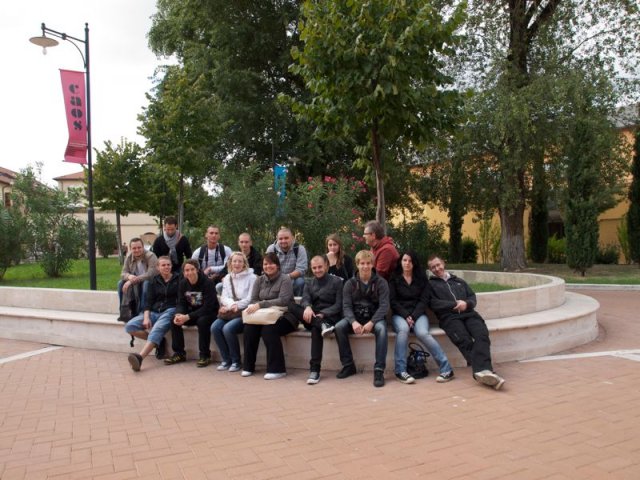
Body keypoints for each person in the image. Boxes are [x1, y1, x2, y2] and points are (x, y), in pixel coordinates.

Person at [426, 255, 505, 390]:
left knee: (481, 335)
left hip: (469, 314)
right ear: (430, 270)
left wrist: (466, 303)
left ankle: (482, 372)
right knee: (464, 340)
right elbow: (433, 303)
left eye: (438, 265)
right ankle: (486, 371)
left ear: (443, 263)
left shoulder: (459, 281)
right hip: (449, 318)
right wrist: (454, 304)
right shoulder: (430, 285)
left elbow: (472, 297)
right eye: (433, 267)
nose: (437, 268)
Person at [389, 251, 454, 384]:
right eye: (405, 260)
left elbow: (424, 300)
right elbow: (393, 301)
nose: (407, 263)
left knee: (423, 333)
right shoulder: (394, 278)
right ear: (400, 262)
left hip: (418, 314)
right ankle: (400, 371)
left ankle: (446, 369)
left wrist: (413, 316)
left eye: (410, 261)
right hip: (400, 315)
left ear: (414, 263)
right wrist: (406, 316)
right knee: (403, 330)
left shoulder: (421, 279)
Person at [334, 250, 390, 387]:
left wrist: (372, 322)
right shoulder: (349, 283)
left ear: (373, 264)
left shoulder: (381, 282)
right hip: (355, 317)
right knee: (339, 327)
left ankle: (379, 370)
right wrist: (353, 322)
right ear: (357, 264)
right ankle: (348, 365)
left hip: (374, 318)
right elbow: (346, 306)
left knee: (382, 330)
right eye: (362, 263)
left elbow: (384, 306)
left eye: (368, 263)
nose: (365, 266)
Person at [287, 255, 343, 384]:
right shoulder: (309, 282)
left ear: (326, 266)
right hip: (313, 317)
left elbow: (339, 305)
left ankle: (315, 370)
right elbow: (305, 298)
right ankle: (321, 324)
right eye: (314, 268)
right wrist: (307, 307)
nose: (317, 270)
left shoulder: (337, 282)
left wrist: (323, 314)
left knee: (315, 330)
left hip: (330, 318)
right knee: (291, 306)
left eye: (320, 267)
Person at [241, 252, 294, 379]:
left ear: (277, 265)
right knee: (249, 329)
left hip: (285, 316)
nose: (268, 266)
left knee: (269, 330)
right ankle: (248, 366)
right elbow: (253, 300)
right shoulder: (259, 280)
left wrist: (262, 304)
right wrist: (260, 305)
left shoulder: (285, 279)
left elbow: (284, 300)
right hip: (263, 317)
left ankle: (277, 370)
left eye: (271, 263)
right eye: (265, 264)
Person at [126, 256, 180, 372]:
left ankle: (140, 358)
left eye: (168, 265)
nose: (166, 267)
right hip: (154, 312)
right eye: (163, 265)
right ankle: (158, 342)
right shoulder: (153, 281)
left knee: (157, 329)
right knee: (130, 326)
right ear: (158, 267)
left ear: (171, 266)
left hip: (170, 310)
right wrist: (146, 317)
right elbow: (148, 302)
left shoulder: (178, 279)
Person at [164, 260, 219, 367]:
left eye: (192, 269)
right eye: (187, 270)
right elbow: (181, 302)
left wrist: (188, 316)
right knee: (174, 320)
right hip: (193, 312)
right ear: (184, 272)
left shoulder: (208, 283)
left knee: (202, 322)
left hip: (209, 313)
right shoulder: (183, 284)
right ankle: (179, 354)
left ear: (197, 270)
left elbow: (208, 307)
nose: (190, 272)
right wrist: (179, 314)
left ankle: (205, 355)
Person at [211, 251, 257, 372]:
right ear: (230, 263)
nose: (237, 264)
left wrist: (237, 305)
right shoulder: (227, 277)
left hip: (244, 312)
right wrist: (231, 305)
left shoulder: (252, 277)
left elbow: (250, 298)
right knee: (215, 327)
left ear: (244, 263)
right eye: (234, 261)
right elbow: (224, 296)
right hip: (230, 311)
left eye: (240, 261)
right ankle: (226, 360)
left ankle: (236, 361)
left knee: (228, 329)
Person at [117, 237, 158, 322]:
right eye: (134, 248)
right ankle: (124, 311)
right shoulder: (129, 257)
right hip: (135, 282)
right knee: (120, 283)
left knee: (146, 283)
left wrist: (132, 280)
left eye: (139, 247)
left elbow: (151, 274)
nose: (137, 250)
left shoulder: (151, 256)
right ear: (130, 249)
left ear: (143, 247)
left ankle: (142, 311)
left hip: (150, 282)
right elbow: (123, 273)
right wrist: (129, 276)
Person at [265, 227, 307, 296]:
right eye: (280, 239)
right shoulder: (272, 249)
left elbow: (301, 269)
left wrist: (285, 278)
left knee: (300, 282)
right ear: (277, 239)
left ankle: (297, 301)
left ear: (292, 238)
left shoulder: (299, 249)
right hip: (275, 279)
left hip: (293, 280)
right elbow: (267, 267)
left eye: (286, 238)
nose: (283, 241)